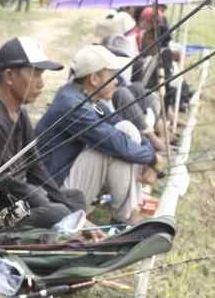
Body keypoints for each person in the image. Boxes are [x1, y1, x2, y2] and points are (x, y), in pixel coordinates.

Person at [0, 37, 109, 236]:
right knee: (58, 212)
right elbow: (6, 183)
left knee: (74, 198)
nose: (41, 83)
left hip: (17, 201)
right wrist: (61, 210)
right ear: (9, 76)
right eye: (35, 74)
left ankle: (68, 227)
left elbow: (35, 167)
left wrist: (76, 213)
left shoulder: (19, 112)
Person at [36, 45, 165, 224]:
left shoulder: (85, 97)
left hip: (69, 177)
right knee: (113, 148)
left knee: (126, 127)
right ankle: (126, 217)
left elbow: (118, 123)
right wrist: (151, 159)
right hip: (55, 193)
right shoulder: (73, 105)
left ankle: (130, 210)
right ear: (95, 78)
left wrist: (151, 156)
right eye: (112, 76)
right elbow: (115, 142)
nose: (117, 82)